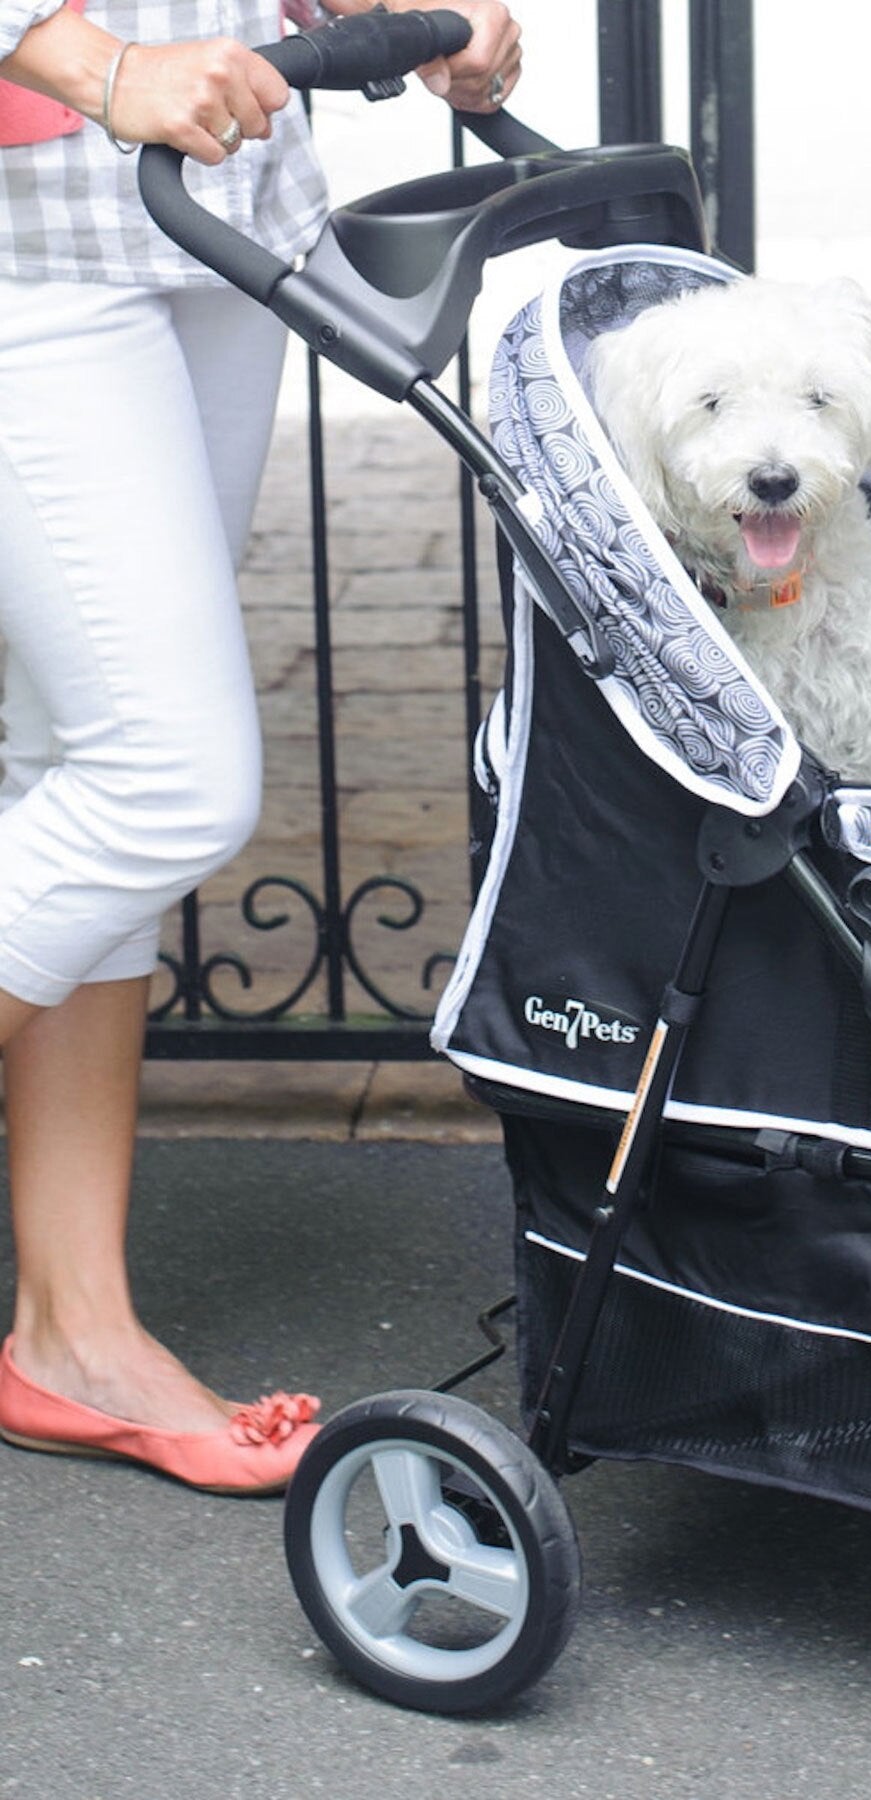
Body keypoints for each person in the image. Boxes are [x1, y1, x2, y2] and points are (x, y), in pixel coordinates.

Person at [0, 0, 520, 1493]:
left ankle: (71, 1332)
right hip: (33, 216)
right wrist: (98, 66)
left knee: (82, 762)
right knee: (163, 782)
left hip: (209, 190)